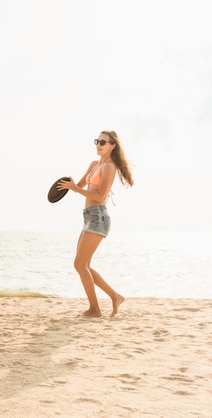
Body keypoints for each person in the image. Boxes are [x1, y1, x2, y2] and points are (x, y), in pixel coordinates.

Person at [57, 130, 134, 317]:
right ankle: (115, 297)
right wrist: (70, 184)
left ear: (112, 145)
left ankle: (95, 309)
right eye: (97, 141)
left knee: (79, 264)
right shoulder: (94, 164)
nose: (98, 145)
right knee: (83, 265)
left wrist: (75, 188)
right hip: (88, 217)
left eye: (103, 142)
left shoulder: (109, 166)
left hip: (99, 217)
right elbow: (81, 185)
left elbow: (100, 195)